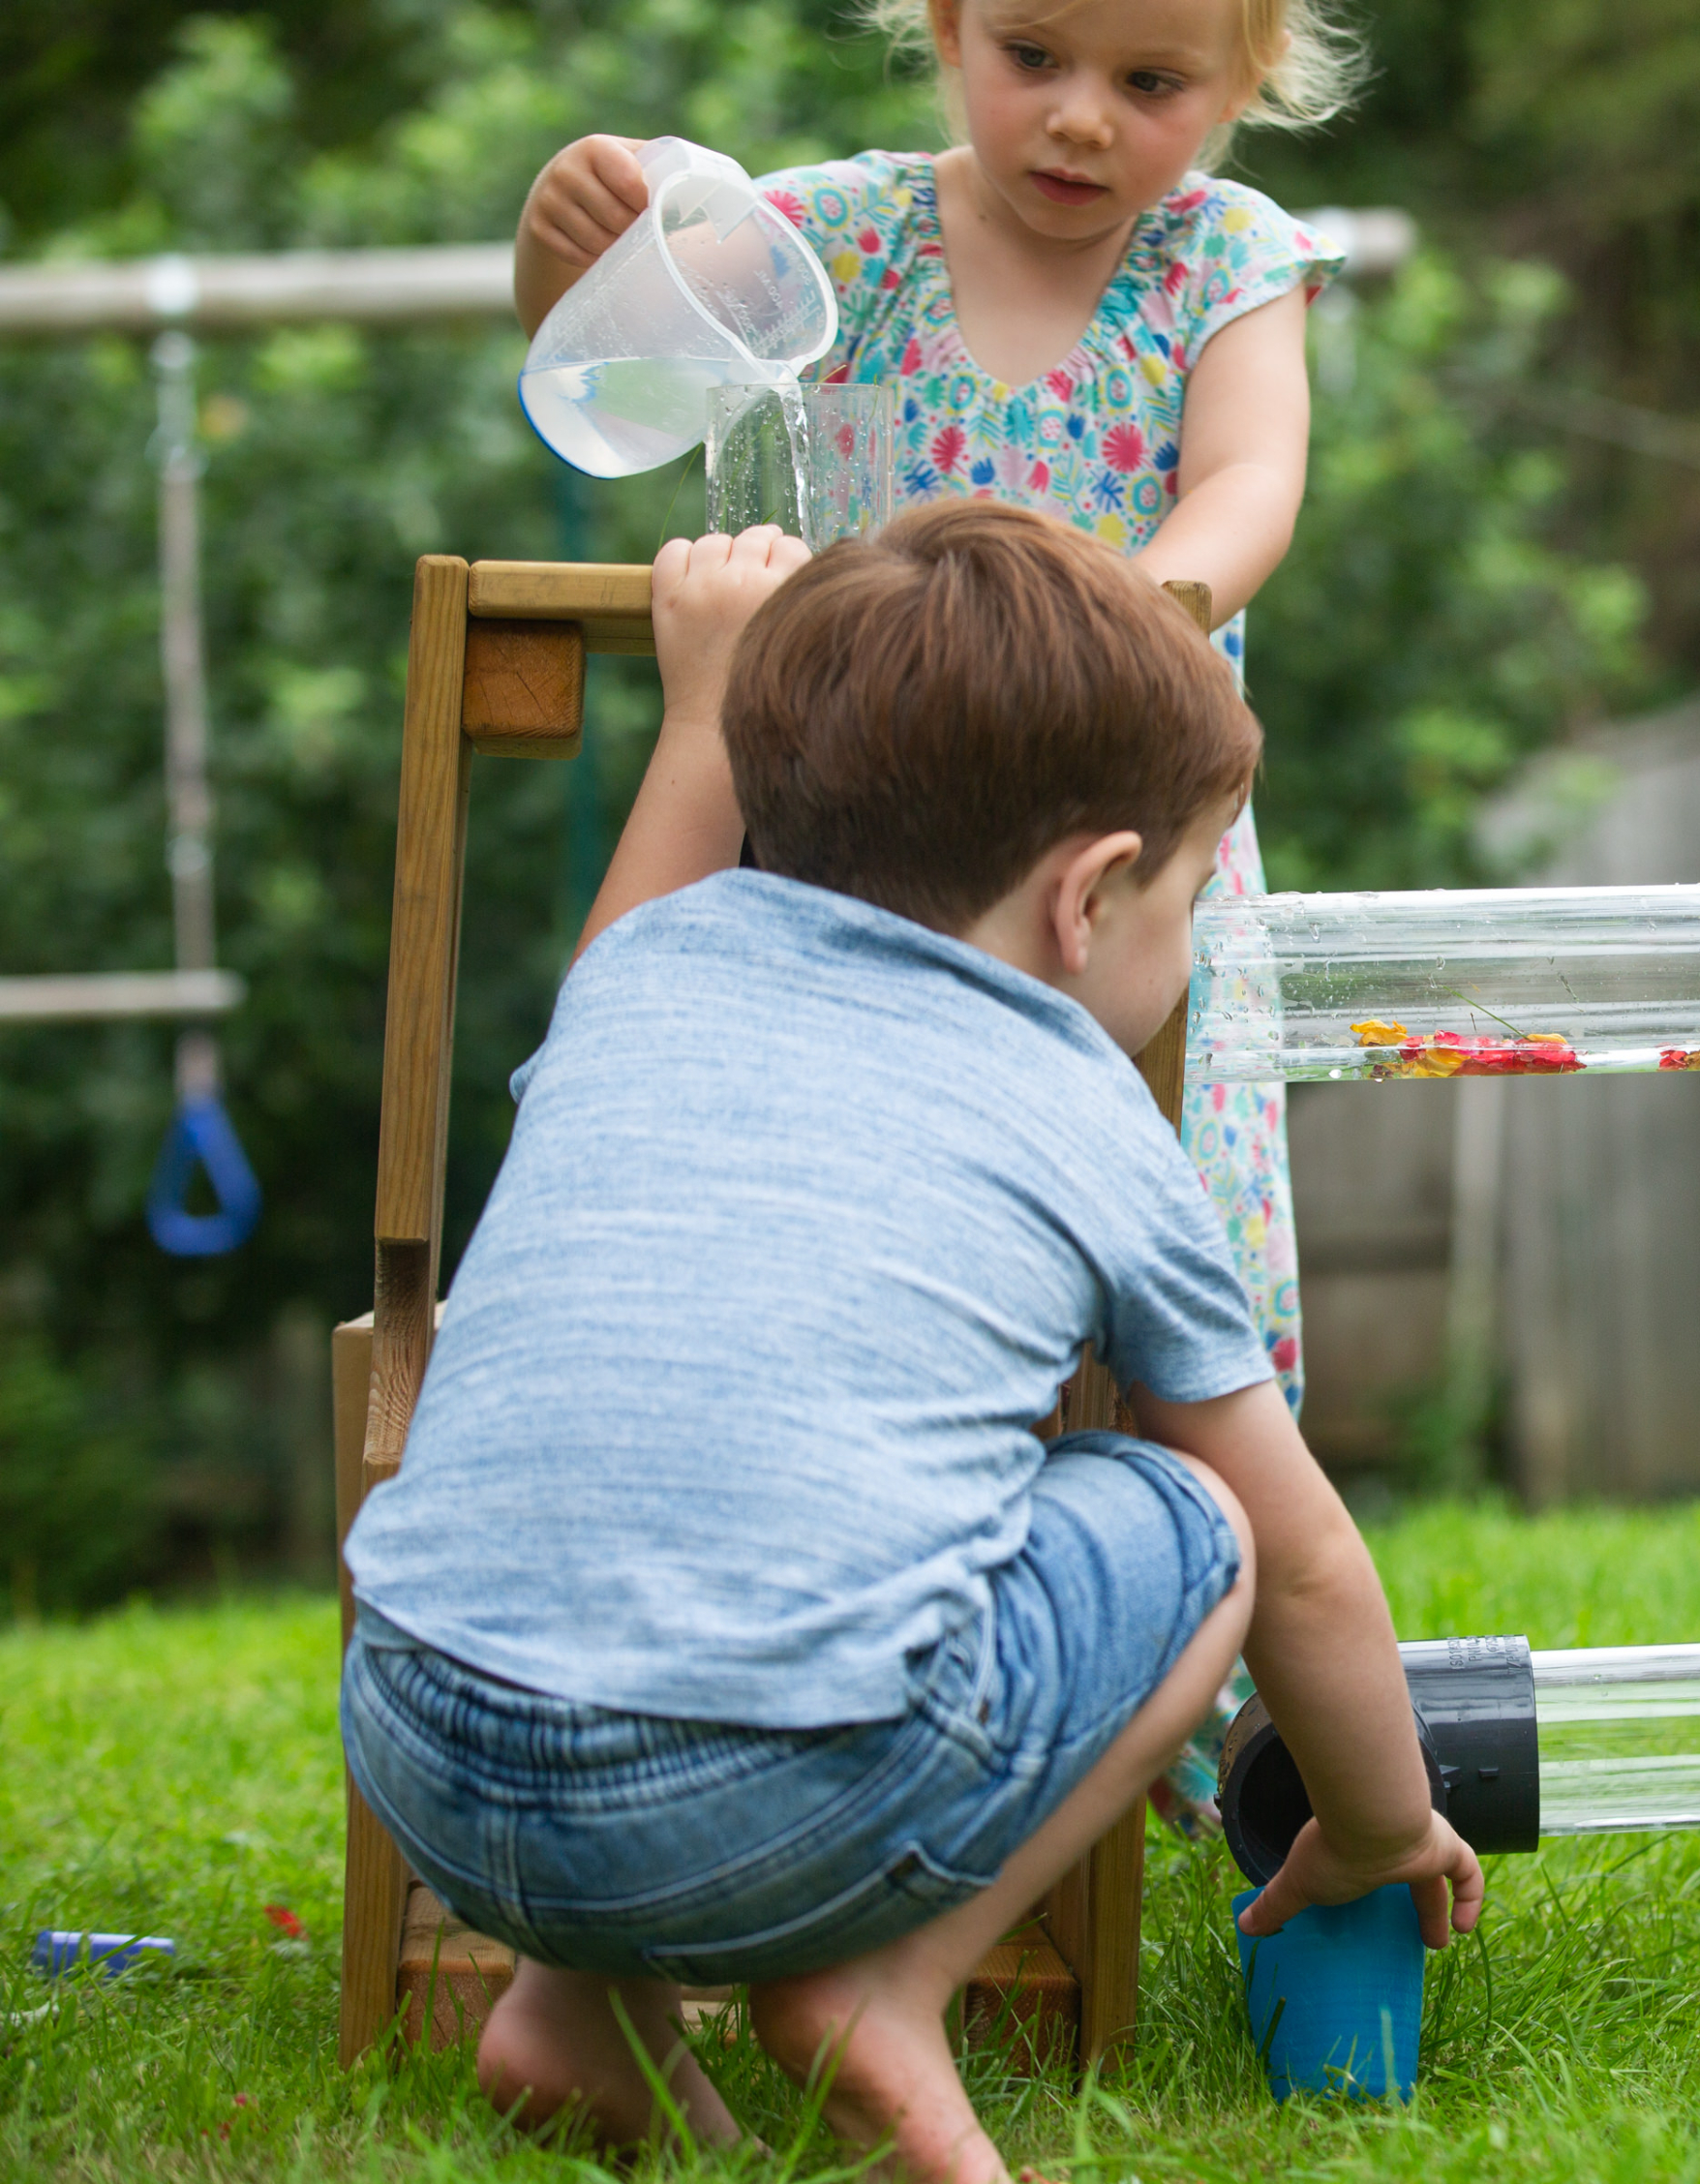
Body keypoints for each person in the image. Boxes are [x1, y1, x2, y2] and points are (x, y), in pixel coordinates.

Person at [338, 507, 1480, 2184]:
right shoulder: (1085, 1111)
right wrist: (1379, 1829)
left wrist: (701, 705)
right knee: (1203, 1521)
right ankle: (882, 1988)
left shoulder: (642, 978)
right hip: (764, 1809)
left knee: (674, 1493)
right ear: (1091, 895)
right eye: (1191, 901)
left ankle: (576, 2009)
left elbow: (624, 936)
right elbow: (1306, 1568)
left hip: (423, 1746)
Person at [512, 0, 1363, 1414]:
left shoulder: (1227, 259)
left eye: (1149, 81)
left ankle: (1214, 1526)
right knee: (857, 1191)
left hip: (1125, 847)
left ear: (1241, 81)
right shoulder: (838, 238)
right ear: (953, 26)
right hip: (863, 840)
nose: (1081, 115)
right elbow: (627, 328)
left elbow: (1249, 485)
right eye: (1035, 57)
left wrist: (1119, 627)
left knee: (1162, 1192)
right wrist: (565, 252)